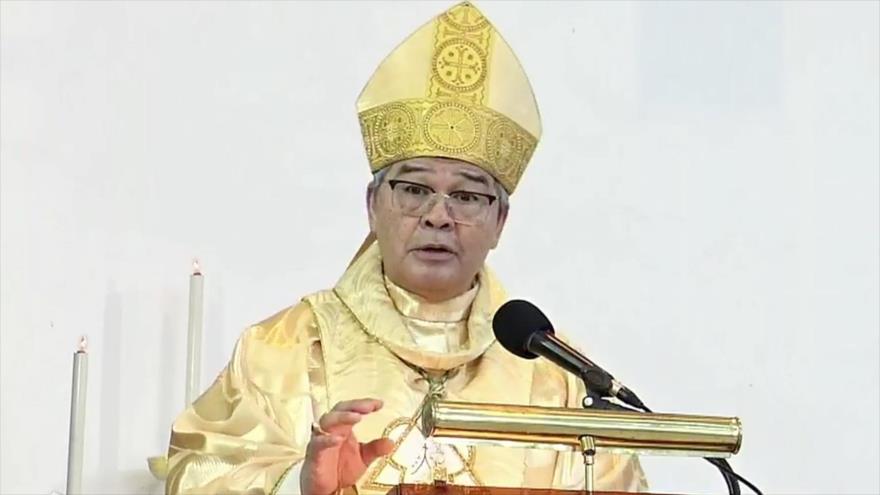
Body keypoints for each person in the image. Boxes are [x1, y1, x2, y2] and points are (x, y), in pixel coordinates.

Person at [165, 2, 648, 494]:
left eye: (466, 195)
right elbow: (198, 476)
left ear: (500, 221)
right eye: (415, 190)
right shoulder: (284, 350)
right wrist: (300, 487)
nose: (438, 216)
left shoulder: (557, 377)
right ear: (373, 206)